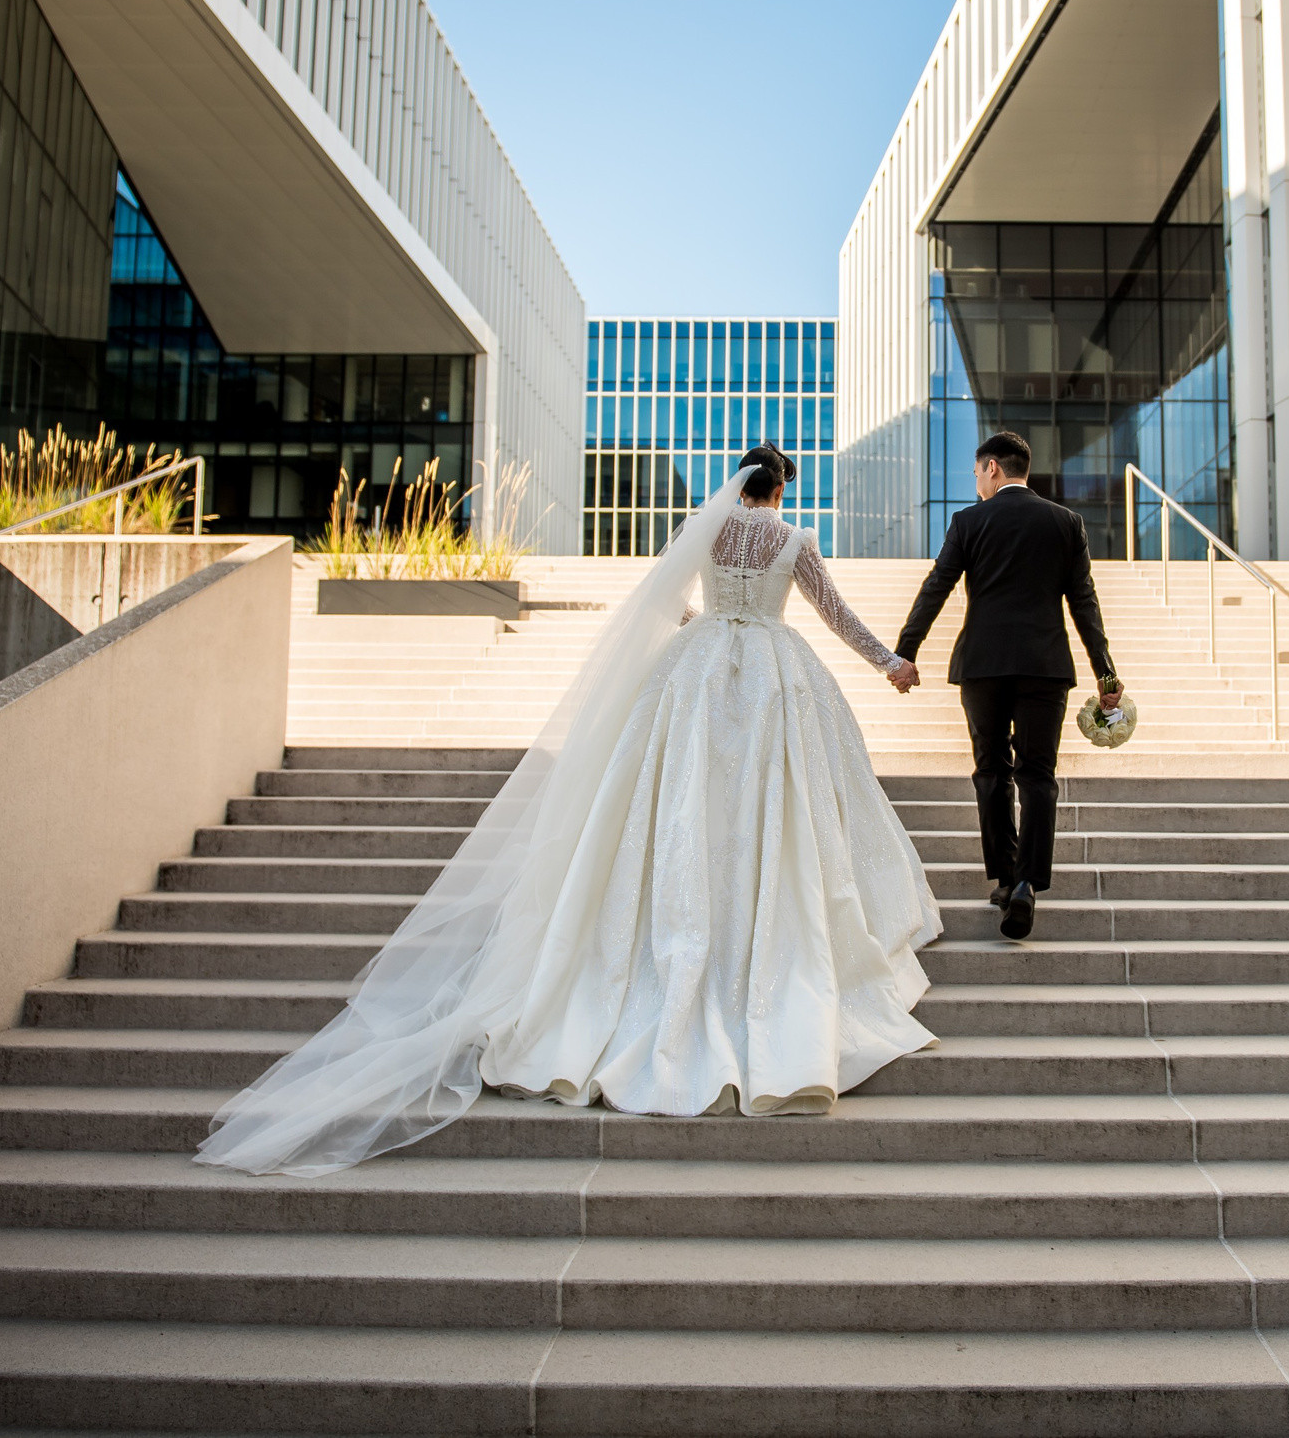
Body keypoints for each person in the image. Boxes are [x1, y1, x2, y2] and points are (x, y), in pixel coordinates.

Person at [198, 445, 940, 1177]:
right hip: (776, 680)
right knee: (770, 810)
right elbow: (835, 613)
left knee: (679, 808)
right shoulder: (795, 540)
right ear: (780, 490)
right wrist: (890, 661)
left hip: (697, 675)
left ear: (739, 484)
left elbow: (667, 603)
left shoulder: (704, 530)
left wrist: (703, 623)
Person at [894, 431, 1118, 941]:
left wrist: (905, 652)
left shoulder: (969, 522)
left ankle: (1003, 875)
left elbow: (937, 586)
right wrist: (1105, 672)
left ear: (992, 467)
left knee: (990, 770)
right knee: (1038, 775)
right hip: (1045, 666)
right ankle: (1026, 884)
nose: (976, 483)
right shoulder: (1066, 523)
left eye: (977, 474)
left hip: (983, 666)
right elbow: (1084, 603)